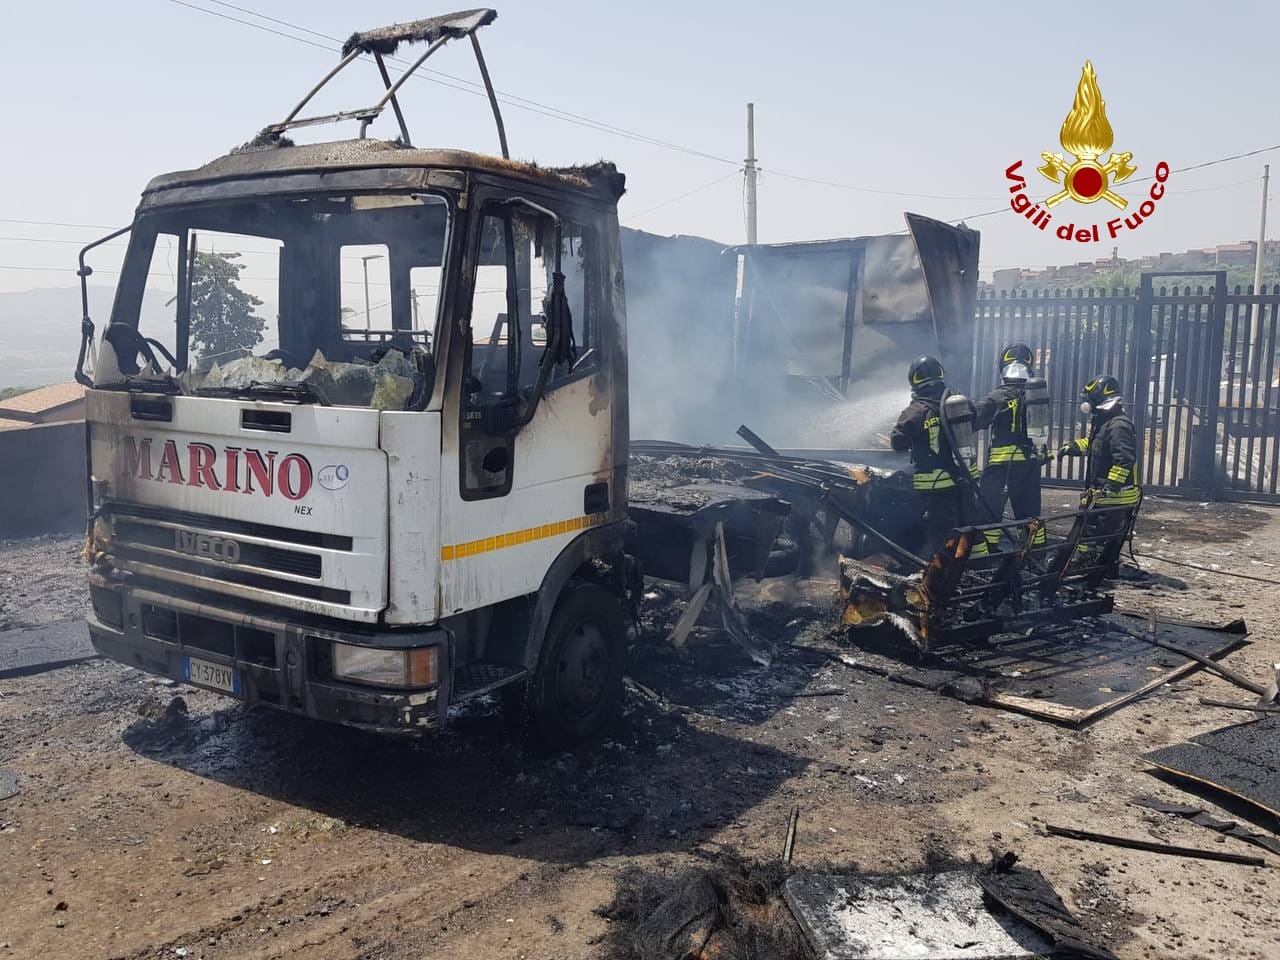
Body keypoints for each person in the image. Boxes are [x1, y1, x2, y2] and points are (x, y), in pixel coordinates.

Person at [890, 355, 988, 559]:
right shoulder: (958, 403)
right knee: (969, 525)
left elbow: (897, 443)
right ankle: (980, 567)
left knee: (943, 535)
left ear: (914, 380)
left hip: (936, 485)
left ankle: (945, 578)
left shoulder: (915, 411)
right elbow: (975, 422)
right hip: (964, 479)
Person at [1058, 373, 1141, 558]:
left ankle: (1092, 569)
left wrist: (1110, 486)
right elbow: (1096, 444)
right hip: (1102, 494)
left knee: (1095, 539)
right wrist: (1072, 448)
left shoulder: (1119, 425)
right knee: (1086, 535)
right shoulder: (1106, 421)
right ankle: (1087, 565)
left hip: (1115, 497)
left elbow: (1125, 459)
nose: (1087, 405)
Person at [974, 342, 1046, 551]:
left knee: (989, 509)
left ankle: (988, 553)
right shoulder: (1034, 397)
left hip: (1001, 465)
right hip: (1029, 464)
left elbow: (974, 422)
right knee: (1029, 511)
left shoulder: (997, 397)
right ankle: (1035, 553)